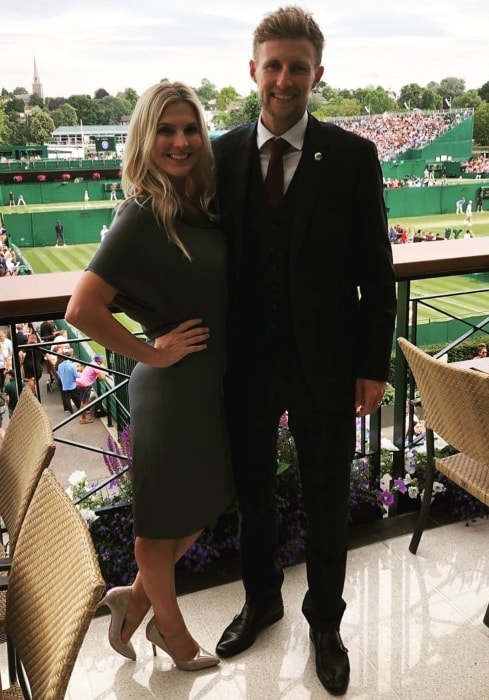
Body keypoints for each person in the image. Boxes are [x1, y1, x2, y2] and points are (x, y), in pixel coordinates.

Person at [212, 7, 397, 696]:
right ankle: (261, 601)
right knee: (253, 496)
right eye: (273, 65)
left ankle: (326, 623)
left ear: (319, 73)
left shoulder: (353, 156)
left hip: (326, 365)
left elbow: (375, 271)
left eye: (297, 67)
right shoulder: (220, 153)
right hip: (246, 369)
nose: (284, 79)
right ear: (253, 69)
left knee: (325, 500)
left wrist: (373, 364)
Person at [65, 81, 233, 670]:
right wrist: (153, 353)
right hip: (171, 386)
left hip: (208, 384)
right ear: (145, 137)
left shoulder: (201, 202)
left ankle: (132, 603)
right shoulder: (142, 212)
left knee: (202, 507)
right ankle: (171, 632)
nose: (181, 141)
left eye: (190, 129)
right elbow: (81, 308)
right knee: (161, 521)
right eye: (166, 130)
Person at [75, 354, 107, 423]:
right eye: (102, 360)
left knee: (84, 401)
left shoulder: (92, 363)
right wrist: (102, 373)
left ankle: (83, 416)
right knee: (85, 403)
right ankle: (83, 419)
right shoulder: (96, 366)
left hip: (80, 383)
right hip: (85, 385)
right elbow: (102, 378)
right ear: (100, 361)